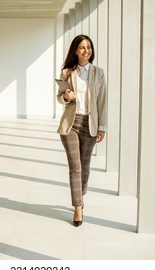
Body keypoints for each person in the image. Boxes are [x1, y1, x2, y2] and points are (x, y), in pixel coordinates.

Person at [56, 34, 107, 227]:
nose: (86, 50)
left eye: (89, 47)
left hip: (91, 124)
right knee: (75, 167)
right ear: (75, 51)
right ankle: (78, 208)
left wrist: (102, 127)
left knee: (85, 168)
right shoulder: (67, 72)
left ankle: (80, 195)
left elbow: (102, 102)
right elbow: (59, 98)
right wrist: (67, 96)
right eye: (82, 47)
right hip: (71, 124)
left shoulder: (99, 73)